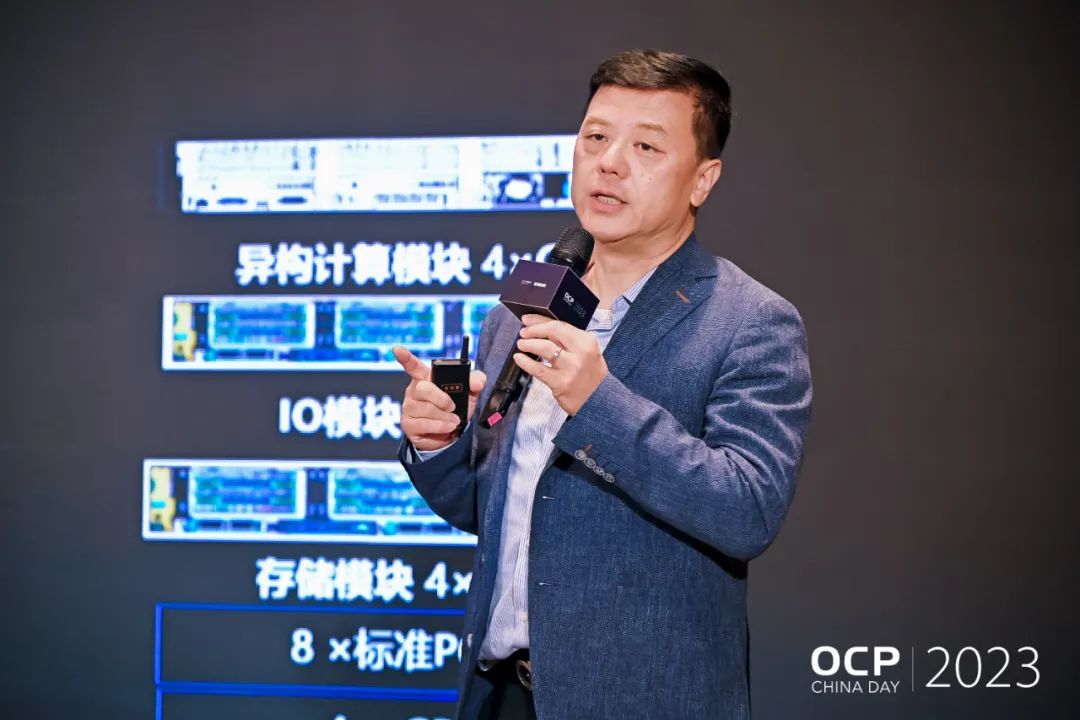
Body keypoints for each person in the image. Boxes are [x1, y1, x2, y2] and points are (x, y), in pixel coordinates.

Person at [393, 49, 812, 720]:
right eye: (595, 137)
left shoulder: (749, 321)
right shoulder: (520, 312)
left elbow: (747, 511)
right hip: (501, 694)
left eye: (646, 146)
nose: (609, 162)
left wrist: (597, 401)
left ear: (702, 180)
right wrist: (438, 442)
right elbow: (503, 511)